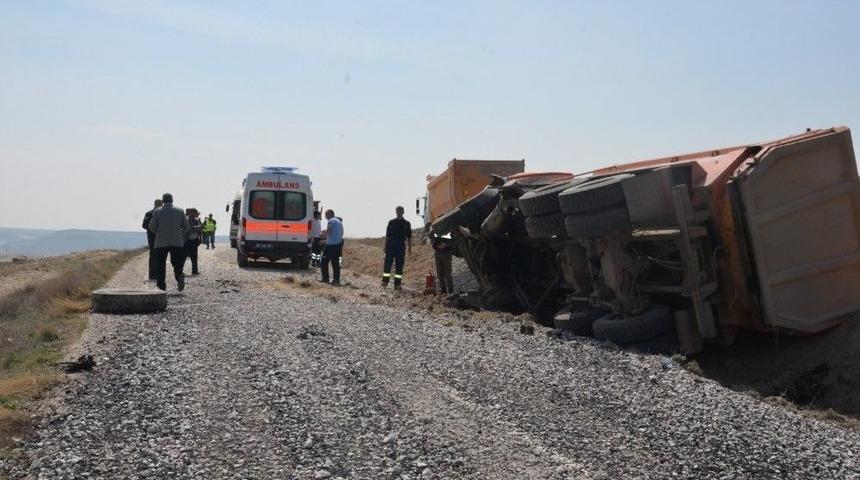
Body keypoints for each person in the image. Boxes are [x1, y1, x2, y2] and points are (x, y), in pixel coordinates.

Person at [149, 193, 189, 291]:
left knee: (160, 264)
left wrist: (158, 233)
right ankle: (179, 275)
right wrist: (180, 234)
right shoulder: (179, 211)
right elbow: (186, 227)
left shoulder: (158, 211)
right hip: (177, 242)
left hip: (161, 242)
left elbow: (151, 227)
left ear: (163, 201)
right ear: (172, 200)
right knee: (177, 262)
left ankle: (161, 286)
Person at [381, 206, 412, 290]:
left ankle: (397, 284)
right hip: (391, 245)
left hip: (400, 246)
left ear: (403, 212)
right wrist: (385, 246)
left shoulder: (407, 223)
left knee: (399, 266)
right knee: (387, 264)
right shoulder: (391, 222)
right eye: (398, 211)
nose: (399, 212)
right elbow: (387, 235)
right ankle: (384, 282)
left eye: (400, 211)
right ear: (396, 212)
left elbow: (409, 237)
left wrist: (410, 248)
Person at [428, 225, 455, 294]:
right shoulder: (436, 229)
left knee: (447, 272)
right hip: (438, 252)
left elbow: (454, 241)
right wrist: (435, 243)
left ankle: (450, 290)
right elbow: (430, 235)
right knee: (440, 272)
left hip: (446, 253)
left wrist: (445, 244)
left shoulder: (449, 229)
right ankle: (443, 290)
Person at [319, 209, 343, 285]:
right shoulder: (339, 222)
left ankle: (325, 278)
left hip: (330, 246)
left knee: (323, 262)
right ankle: (336, 280)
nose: (325, 217)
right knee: (335, 263)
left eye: (326, 215)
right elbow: (341, 233)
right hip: (338, 245)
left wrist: (323, 234)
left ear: (329, 214)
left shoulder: (331, 221)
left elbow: (329, 232)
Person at [142, 199, 163, 281]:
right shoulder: (149, 213)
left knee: (159, 254)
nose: (159, 206)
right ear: (154, 204)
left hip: (160, 236)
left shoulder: (163, 214)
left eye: (160, 204)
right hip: (152, 235)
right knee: (154, 254)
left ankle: (157, 274)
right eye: (158, 204)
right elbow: (144, 225)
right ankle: (153, 274)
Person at [184, 208, 202, 275]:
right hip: (186, 241)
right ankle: (179, 271)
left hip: (194, 240)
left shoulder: (196, 220)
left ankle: (195, 270)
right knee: (183, 257)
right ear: (191, 213)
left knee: (194, 257)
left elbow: (201, 228)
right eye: (195, 213)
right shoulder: (186, 219)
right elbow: (189, 228)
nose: (196, 214)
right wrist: (197, 227)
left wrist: (198, 224)